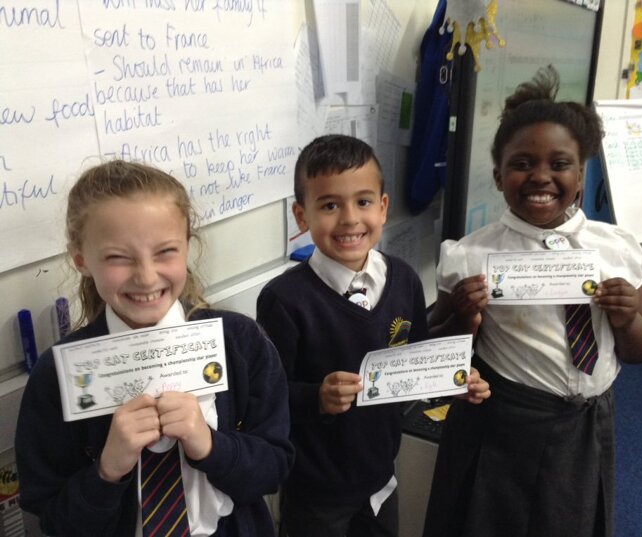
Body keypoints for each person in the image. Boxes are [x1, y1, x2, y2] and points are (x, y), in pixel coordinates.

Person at [422, 66, 642, 537]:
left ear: (580, 173)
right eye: (522, 163)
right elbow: (435, 350)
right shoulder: (469, 255)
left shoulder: (616, 248)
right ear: (498, 175)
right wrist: (465, 318)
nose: (540, 177)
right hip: (504, 424)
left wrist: (627, 320)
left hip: (587, 423)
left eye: (559, 164)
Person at [15, 160, 294, 537]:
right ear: (81, 259)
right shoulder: (58, 374)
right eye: (118, 257)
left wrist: (210, 446)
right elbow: (53, 520)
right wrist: (107, 471)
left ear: (187, 246)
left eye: (165, 251)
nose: (146, 277)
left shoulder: (241, 343)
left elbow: (274, 468)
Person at [256, 134, 490, 537]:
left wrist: (451, 379)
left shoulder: (404, 279)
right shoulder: (284, 299)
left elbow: (413, 361)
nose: (349, 219)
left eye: (363, 202)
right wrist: (317, 397)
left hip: (381, 476)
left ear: (383, 208)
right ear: (301, 216)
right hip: (316, 491)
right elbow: (267, 398)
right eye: (329, 205)